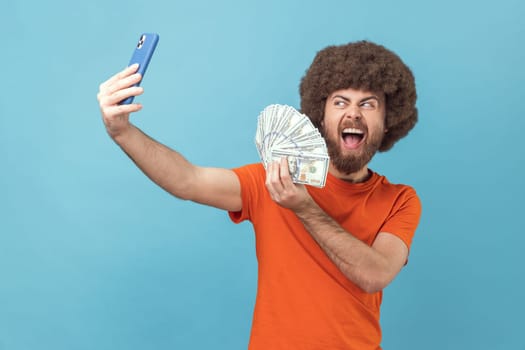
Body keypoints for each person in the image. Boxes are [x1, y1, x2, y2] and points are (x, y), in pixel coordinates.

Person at [97, 40, 421, 350]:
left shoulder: (399, 200)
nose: (353, 114)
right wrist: (122, 131)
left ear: (388, 121)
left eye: (368, 104)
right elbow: (187, 179)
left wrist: (304, 208)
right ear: (320, 116)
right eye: (340, 102)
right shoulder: (272, 179)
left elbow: (374, 274)